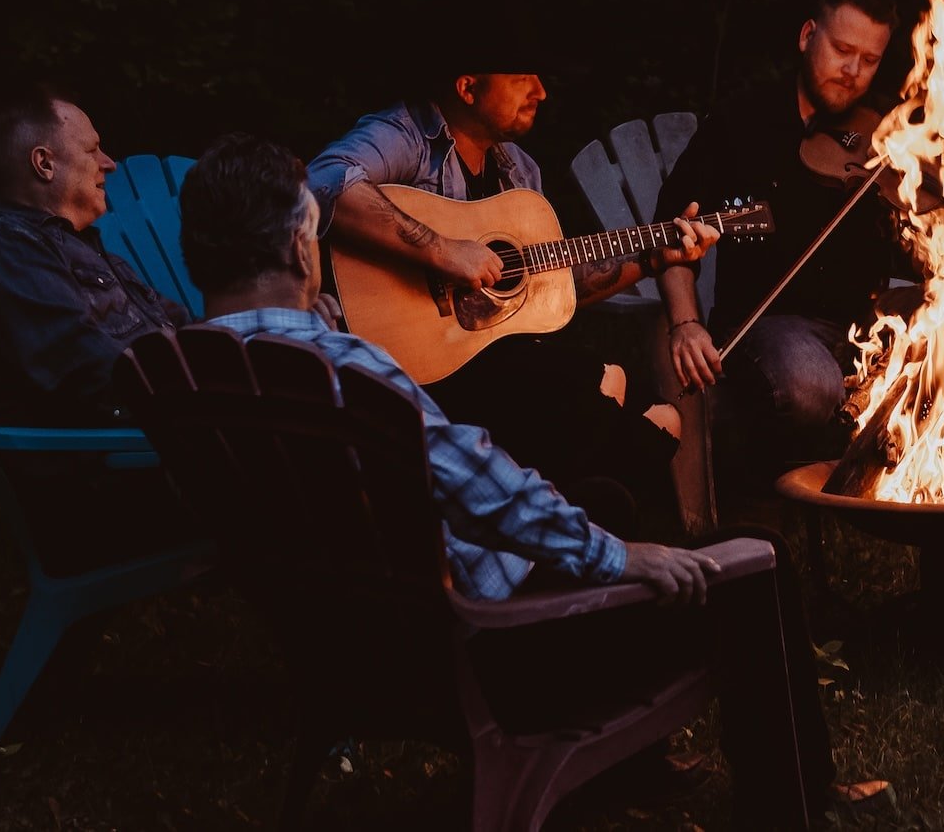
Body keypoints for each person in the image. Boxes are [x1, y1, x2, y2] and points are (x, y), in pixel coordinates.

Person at [178, 134, 836, 823]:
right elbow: (477, 480)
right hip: (490, 656)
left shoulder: (181, 372)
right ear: (297, 248)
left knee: (603, 497)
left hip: (346, 649)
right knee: (758, 566)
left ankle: (615, 774)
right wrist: (622, 556)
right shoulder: (343, 371)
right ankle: (793, 809)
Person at [307, 49, 718, 526]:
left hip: (498, 367)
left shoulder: (518, 171)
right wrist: (442, 250)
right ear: (468, 88)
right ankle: (559, 521)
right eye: (523, 77)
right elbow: (323, 181)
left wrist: (651, 259)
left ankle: (555, 515)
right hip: (414, 371)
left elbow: (551, 285)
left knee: (664, 423)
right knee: (606, 385)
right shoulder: (406, 135)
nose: (540, 92)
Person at [653, 0, 915, 488]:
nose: (853, 71)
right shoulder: (741, 120)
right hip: (769, 325)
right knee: (809, 381)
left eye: (869, 59)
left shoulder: (888, 133)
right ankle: (802, 478)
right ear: (806, 36)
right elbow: (672, 228)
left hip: (870, 328)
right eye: (842, 50)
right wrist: (685, 323)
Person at [0, 85, 194, 569]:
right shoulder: (8, 254)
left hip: (154, 454)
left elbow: (181, 328)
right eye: (92, 148)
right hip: (116, 492)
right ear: (44, 163)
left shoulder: (75, 249)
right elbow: (94, 374)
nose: (110, 162)